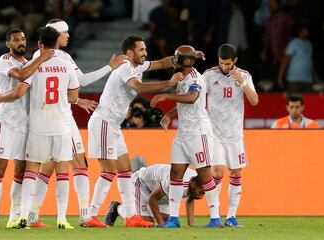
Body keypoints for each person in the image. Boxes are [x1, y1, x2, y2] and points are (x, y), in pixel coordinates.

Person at [26, 18, 126, 228]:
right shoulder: (62, 58)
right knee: (79, 164)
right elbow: (80, 81)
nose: (68, 36)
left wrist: (76, 100)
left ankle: (32, 215)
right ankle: (84, 215)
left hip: (40, 119)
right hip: (62, 120)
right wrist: (109, 67)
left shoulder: (36, 57)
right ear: (57, 35)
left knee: (48, 167)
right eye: (65, 33)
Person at [86, 34, 189, 228]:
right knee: (108, 172)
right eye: (141, 50)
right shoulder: (125, 67)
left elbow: (161, 62)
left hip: (113, 125)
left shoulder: (138, 65)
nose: (145, 53)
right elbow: (139, 87)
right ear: (130, 52)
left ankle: (132, 216)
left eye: (145, 49)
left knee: (125, 171)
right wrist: (169, 84)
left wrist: (185, 57)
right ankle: (90, 215)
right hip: (103, 122)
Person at [0, 26, 80, 229]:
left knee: (31, 171)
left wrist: (0, 98)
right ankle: (62, 218)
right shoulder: (67, 64)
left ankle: (24, 215)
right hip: (61, 124)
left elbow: (19, 91)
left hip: (38, 125)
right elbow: (74, 97)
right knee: (62, 172)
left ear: (40, 45)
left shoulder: (33, 65)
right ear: (57, 42)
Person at [0, 28, 54, 230]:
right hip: (6, 121)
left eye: (23, 38)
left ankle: (14, 214)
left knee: (21, 171)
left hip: (25, 123)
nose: (21, 42)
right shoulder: (4, 60)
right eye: (16, 40)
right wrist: (41, 59)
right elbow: (21, 76)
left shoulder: (29, 63)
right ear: (8, 43)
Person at [151, 45, 221, 228]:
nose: (173, 62)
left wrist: (166, 96)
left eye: (177, 59)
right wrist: (169, 115)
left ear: (184, 62)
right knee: (176, 173)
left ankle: (215, 218)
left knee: (205, 175)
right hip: (183, 133)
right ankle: (174, 218)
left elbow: (191, 98)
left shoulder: (196, 78)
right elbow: (184, 104)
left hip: (199, 133)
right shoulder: (182, 77)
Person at [202, 43, 259, 227]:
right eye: (221, 63)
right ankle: (215, 216)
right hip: (214, 134)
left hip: (234, 135)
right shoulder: (209, 75)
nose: (224, 67)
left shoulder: (245, 75)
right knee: (217, 172)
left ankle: (231, 217)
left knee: (235, 173)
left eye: (227, 64)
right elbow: (197, 98)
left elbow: (255, 101)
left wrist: (242, 82)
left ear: (235, 60)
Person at [104, 164, 205, 227]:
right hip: (143, 184)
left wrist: (190, 224)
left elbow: (190, 198)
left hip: (161, 192)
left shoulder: (196, 181)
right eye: (201, 193)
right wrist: (162, 225)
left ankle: (140, 211)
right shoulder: (176, 182)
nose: (201, 197)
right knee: (144, 222)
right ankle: (117, 208)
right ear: (193, 184)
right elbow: (152, 199)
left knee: (165, 218)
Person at [277, 23, 319, 93]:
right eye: (305, 29)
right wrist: (280, 77)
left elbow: (310, 62)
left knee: (307, 102)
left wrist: (315, 77)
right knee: (293, 102)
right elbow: (285, 61)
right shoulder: (293, 43)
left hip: (307, 79)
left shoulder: (309, 44)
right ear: (300, 31)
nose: (307, 31)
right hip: (294, 79)